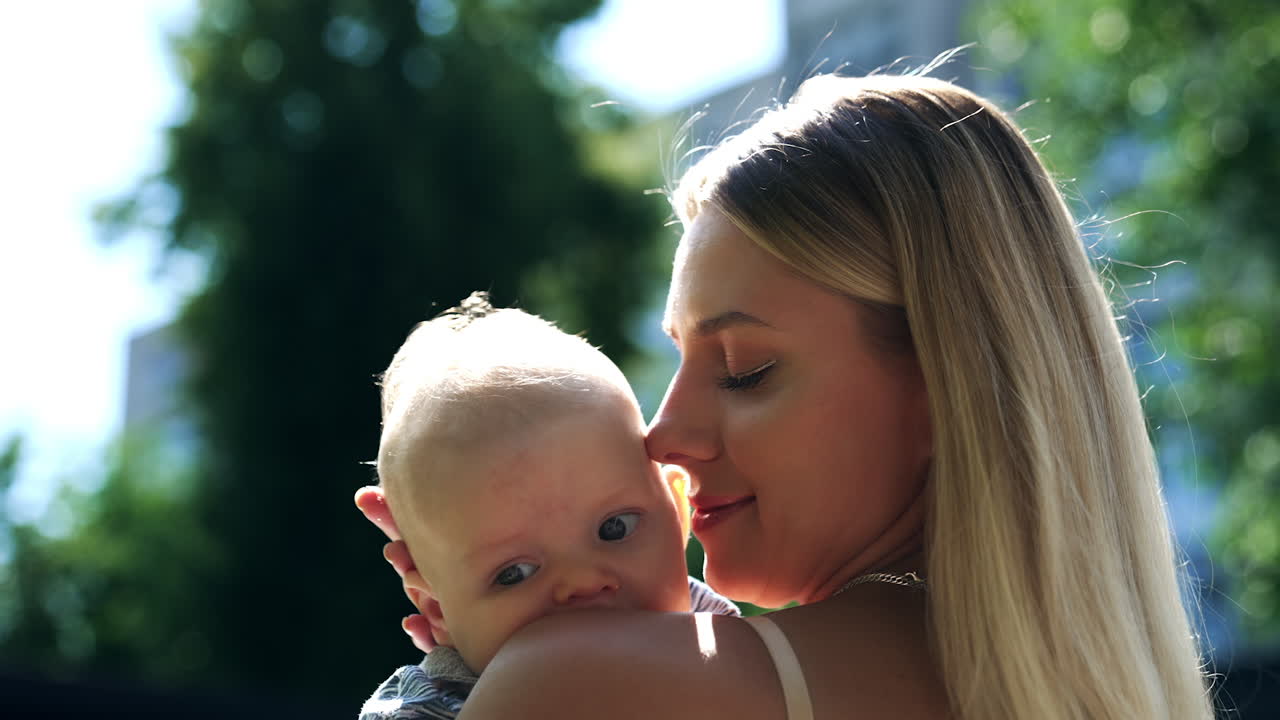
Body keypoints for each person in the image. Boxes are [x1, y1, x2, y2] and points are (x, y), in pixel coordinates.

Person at [358, 62, 1214, 719]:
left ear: (941, 387)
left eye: (744, 372)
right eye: (679, 366)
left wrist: (482, 650)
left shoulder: (580, 683)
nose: (663, 438)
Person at [357, 293, 739, 720]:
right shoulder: (431, 708)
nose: (581, 583)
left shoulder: (726, 640)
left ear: (678, 513)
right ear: (437, 610)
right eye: (513, 573)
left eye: (615, 528)